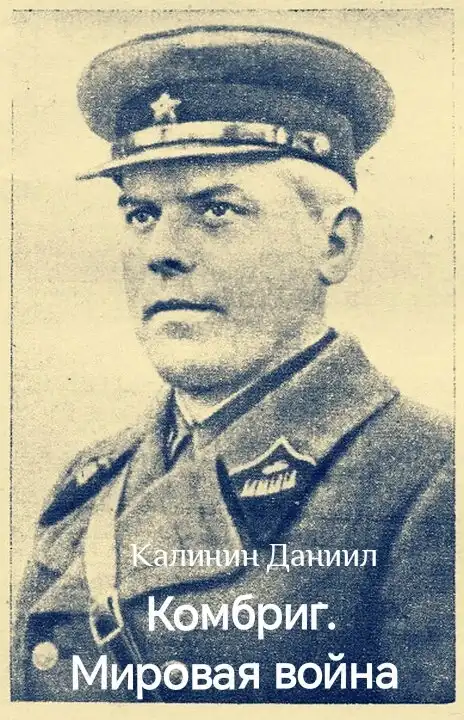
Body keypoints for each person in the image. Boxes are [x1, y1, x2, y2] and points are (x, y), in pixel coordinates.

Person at [12, 24, 454, 704]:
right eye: (140, 214)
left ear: (334, 244)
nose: (163, 251)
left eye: (216, 209)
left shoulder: (429, 480)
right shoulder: (93, 481)